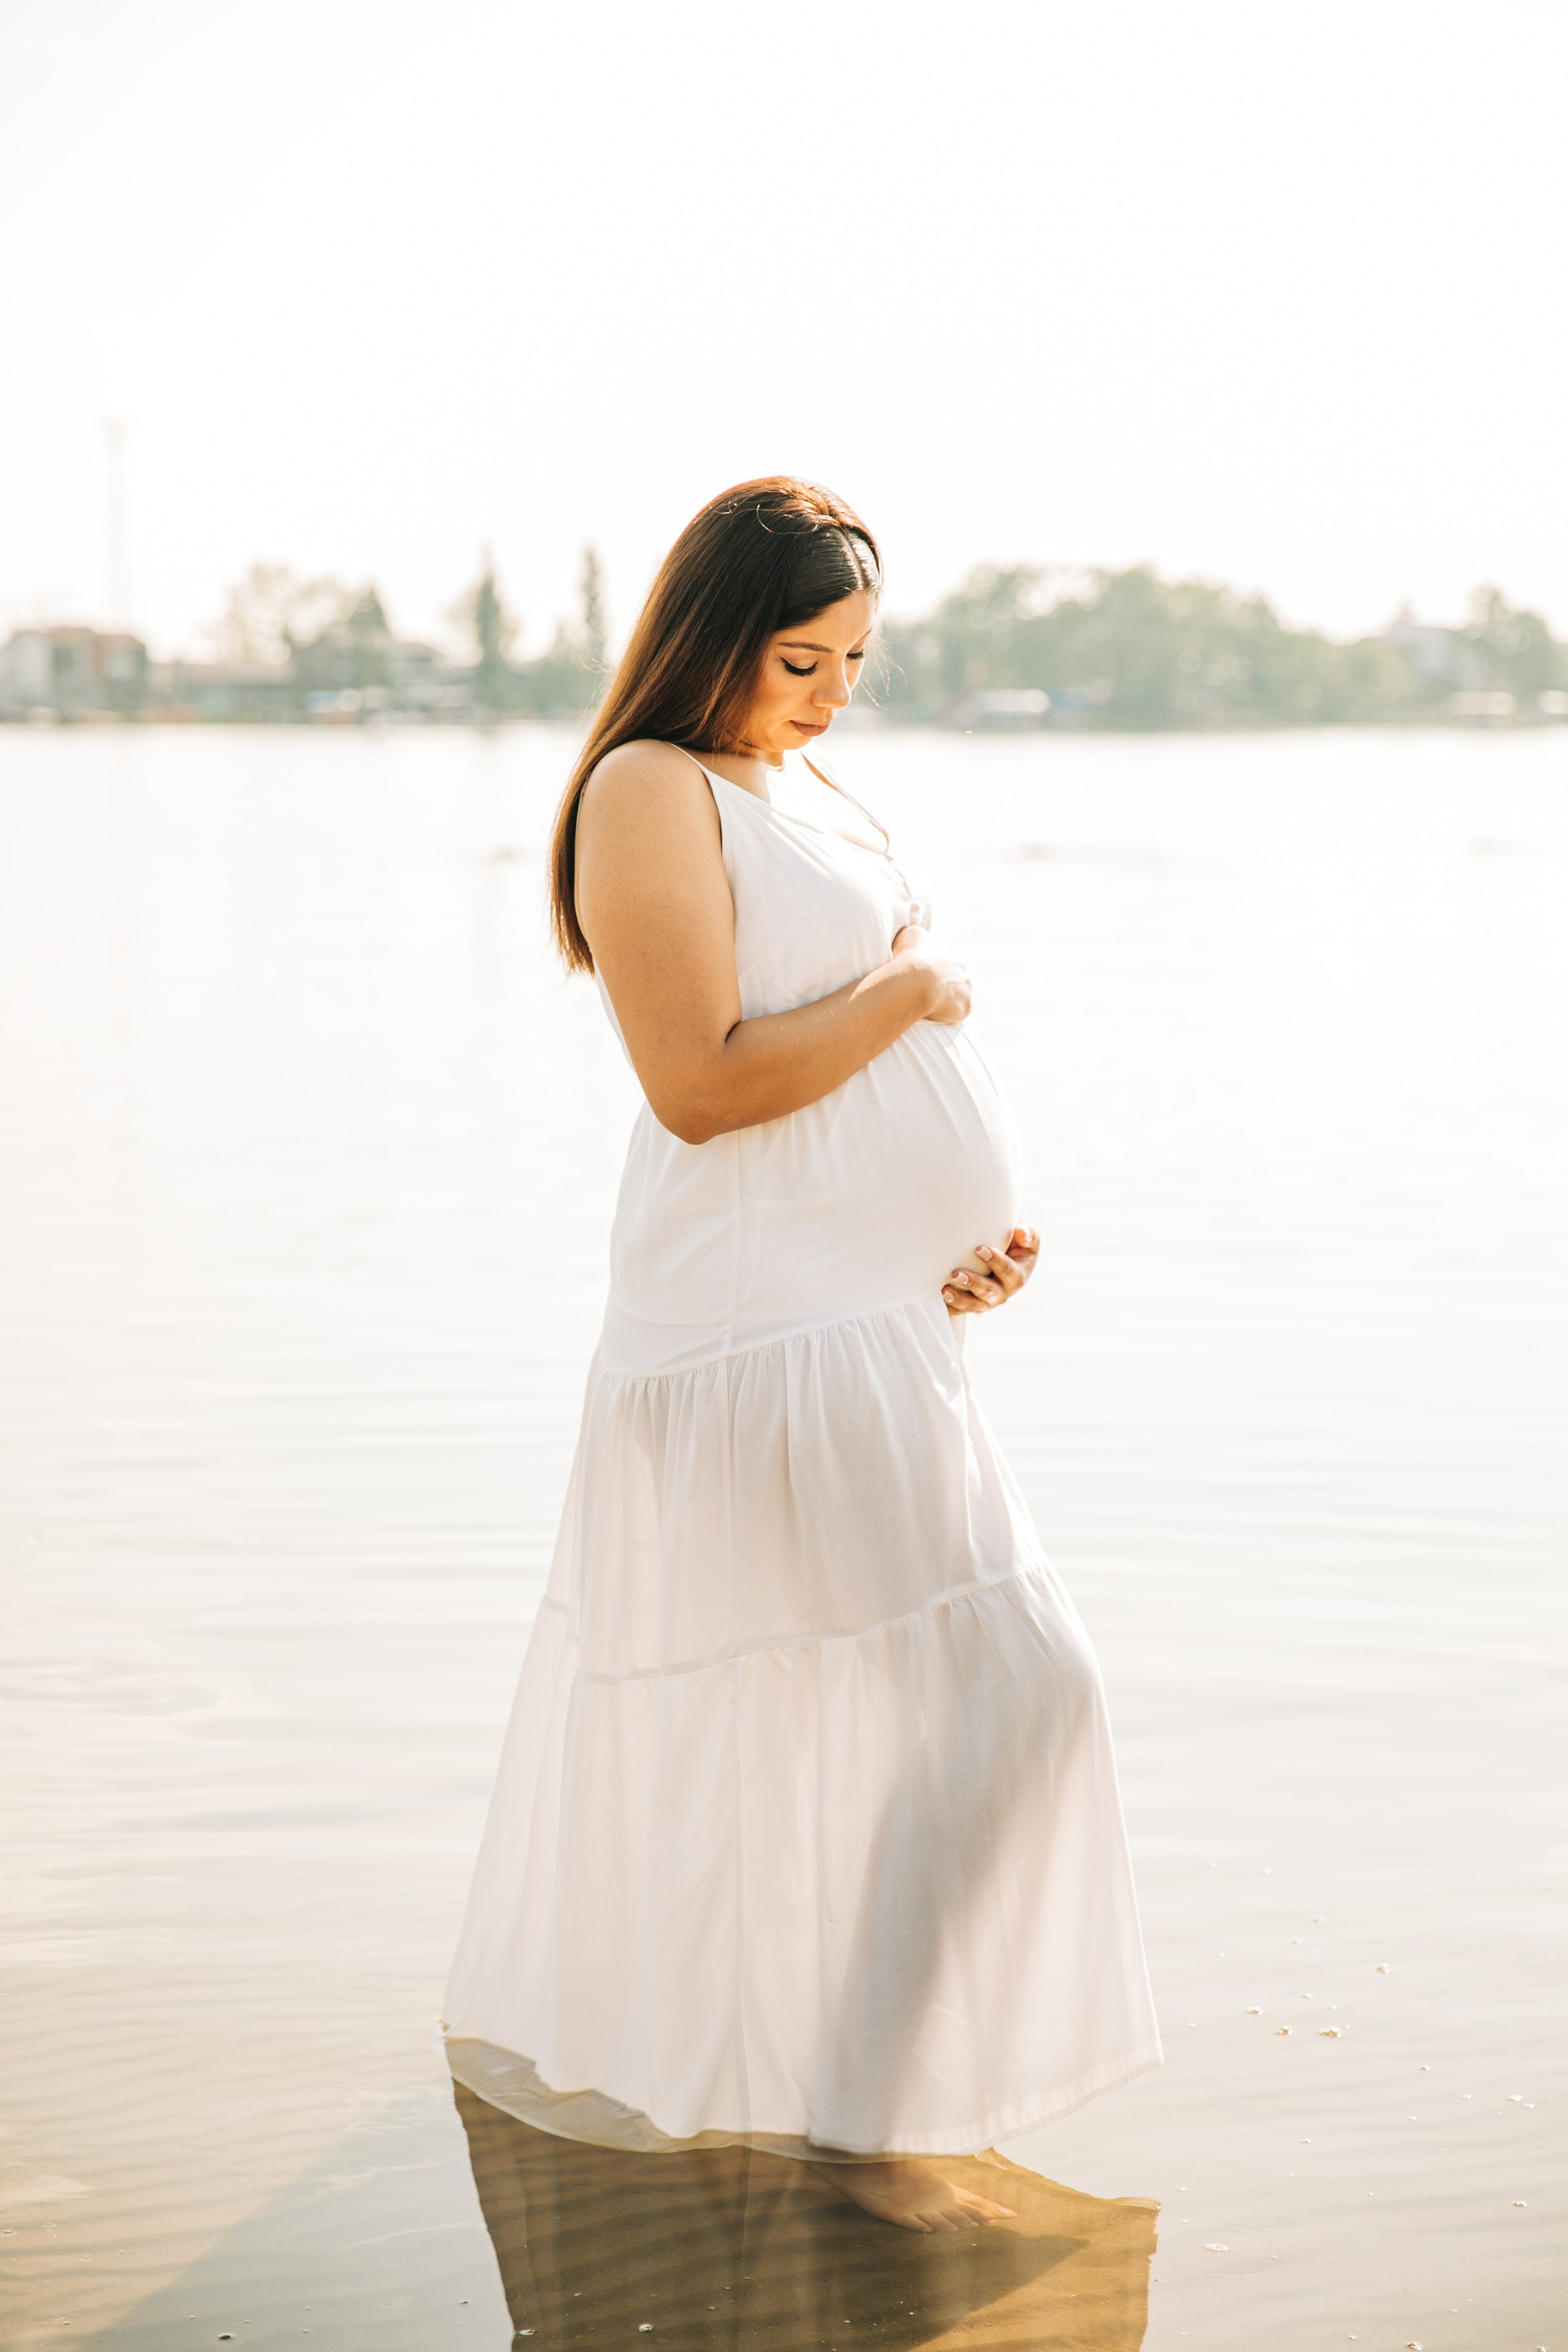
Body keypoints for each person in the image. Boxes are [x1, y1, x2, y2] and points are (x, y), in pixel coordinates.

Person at [443, 478, 1160, 2233]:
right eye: (799, 659)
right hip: (755, 1341)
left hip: (876, 1326)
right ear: (706, 641)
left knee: (954, 1698)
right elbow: (698, 1087)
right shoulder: (647, 789)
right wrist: (914, 1003)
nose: (834, 693)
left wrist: (955, 1256)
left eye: (853, 660)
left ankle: (853, 2098)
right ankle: (863, 2121)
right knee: (1004, 1686)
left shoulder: (799, 781)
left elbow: (840, 1090)